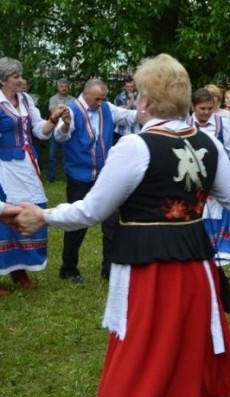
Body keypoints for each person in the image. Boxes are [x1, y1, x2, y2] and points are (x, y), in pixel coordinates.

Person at [13, 53, 230, 397]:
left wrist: (43, 215)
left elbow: (91, 210)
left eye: (138, 96)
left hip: (149, 271)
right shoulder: (207, 143)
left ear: (146, 102)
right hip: (197, 268)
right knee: (188, 349)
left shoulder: (135, 147)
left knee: (144, 353)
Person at [53, 78, 138, 282]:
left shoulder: (107, 108)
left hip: (104, 176)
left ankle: (109, 268)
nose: (99, 103)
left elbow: (130, 116)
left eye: (102, 99)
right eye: (97, 99)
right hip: (79, 177)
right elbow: (59, 136)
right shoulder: (71, 110)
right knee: (76, 223)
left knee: (111, 222)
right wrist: (64, 125)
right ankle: (69, 268)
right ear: (86, 93)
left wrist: (155, 109)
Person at [0, 57, 69, 294]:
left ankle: (19, 269)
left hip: (26, 164)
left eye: (21, 75)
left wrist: (53, 120)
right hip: (3, 167)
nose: (21, 80)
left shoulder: (26, 100)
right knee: (4, 216)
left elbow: (40, 131)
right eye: (16, 77)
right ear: (2, 81)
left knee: (30, 211)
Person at [191, 87, 230, 265]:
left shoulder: (221, 124)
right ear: (193, 106)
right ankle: (198, 264)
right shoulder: (185, 125)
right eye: (202, 109)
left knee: (219, 221)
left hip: (217, 183)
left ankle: (220, 268)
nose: (206, 112)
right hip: (193, 185)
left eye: (209, 108)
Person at [47, 78, 75, 182]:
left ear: (68, 88)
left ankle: (68, 177)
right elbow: (53, 111)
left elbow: (74, 113)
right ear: (58, 88)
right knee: (52, 155)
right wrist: (67, 110)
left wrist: (61, 110)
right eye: (62, 86)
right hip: (54, 129)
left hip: (68, 130)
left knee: (67, 155)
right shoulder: (53, 99)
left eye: (66, 86)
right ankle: (51, 178)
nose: (64, 88)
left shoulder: (73, 100)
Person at [113, 75, 140, 143]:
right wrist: (132, 100)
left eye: (131, 86)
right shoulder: (119, 97)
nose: (129, 88)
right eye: (127, 86)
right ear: (124, 87)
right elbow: (123, 112)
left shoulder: (139, 97)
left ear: (134, 87)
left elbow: (141, 111)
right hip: (121, 131)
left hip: (135, 131)